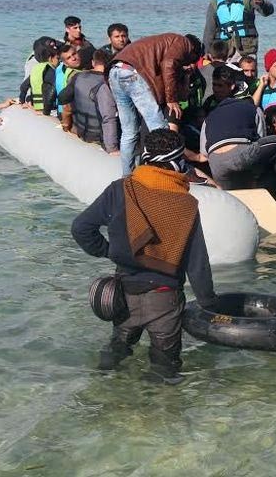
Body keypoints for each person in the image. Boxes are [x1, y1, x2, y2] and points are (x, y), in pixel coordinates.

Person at [71, 128, 217, 383]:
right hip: (164, 298)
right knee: (165, 367)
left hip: (123, 293)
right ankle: (156, 415)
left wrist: (109, 251)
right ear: (176, 163)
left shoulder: (121, 189)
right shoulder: (186, 204)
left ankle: (103, 398)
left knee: (116, 353)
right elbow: (197, 265)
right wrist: (209, 304)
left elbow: (81, 228)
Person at [200, 66, 276, 209]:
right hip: (242, 156)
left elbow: (204, 153)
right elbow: (260, 139)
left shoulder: (209, 116)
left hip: (216, 165)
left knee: (233, 197)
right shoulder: (252, 109)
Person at [110, 33, 203, 175]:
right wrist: (171, 100)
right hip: (131, 74)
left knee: (129, 132)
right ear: (192, 51)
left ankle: (126, 176)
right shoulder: (184, 43)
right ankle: (178, 171)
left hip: (115, 71)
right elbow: (168, 64)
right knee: (160, 129)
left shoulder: (164, 42)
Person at [202, 0, 273, 58]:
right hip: (225, 52)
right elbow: (209, 31)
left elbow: (268, 11)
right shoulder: (215, 4)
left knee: (248, 72)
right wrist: (206, 52)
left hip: (247, 49)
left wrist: (262, 3)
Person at [57, 49, 119, 153]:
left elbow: (62, 98)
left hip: (80, 131)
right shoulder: (110, 82)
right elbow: (109, 118)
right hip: (100, 137)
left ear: (93, 62)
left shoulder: (78, 77)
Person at [19, 36, 60, 115]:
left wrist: (22, 101)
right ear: (51, 59)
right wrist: (46, 111)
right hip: (50, 109)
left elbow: (23, 87)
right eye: (57, 58)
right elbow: (53, 91)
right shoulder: (50, 71)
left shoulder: (36, 69)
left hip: (37, 106)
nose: (59, 61)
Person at [54, 43, 83, 116]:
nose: (73, 58)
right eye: (69, 58)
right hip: (70, 114)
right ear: (65, 63)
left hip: (61, 111)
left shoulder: (63, 71)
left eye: (74, 54)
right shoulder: (74, 75)